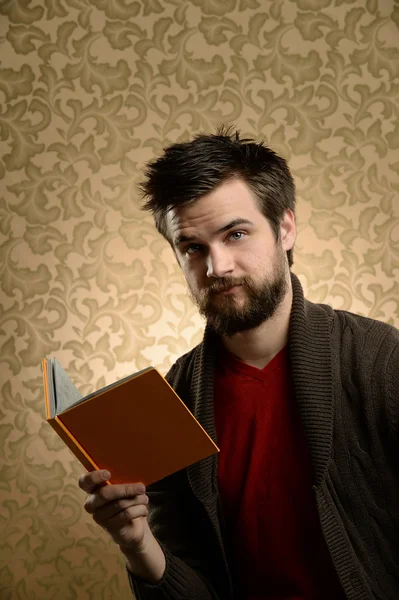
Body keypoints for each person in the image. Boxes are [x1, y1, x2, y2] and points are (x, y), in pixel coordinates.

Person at [78, 128, 399, 600]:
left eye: (236, 233)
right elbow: (195, 586)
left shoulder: (380, 361)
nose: (217, 266)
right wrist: (139, 545)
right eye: (193, 248)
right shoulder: (174, 398)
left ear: (285, 228)